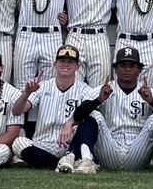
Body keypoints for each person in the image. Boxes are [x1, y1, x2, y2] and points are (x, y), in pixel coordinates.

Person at [72, 47, 153, 173]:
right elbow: (78, 115)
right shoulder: (103, 90)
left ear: (139, 70)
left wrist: (152, 102)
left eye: (132, 66)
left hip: (138, 150)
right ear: (116, 70)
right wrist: (98, 101)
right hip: (108, 148)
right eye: (122, 65)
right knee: (94, 114)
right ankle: (86, 161)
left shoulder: (150, 93)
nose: (127, 69)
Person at [10, 44, 101, 172]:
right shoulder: (43, 86)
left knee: (93, 115)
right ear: (55, 64)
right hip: (42, 144)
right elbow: (17, 111)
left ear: (77, 66)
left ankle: (64, 160)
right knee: (18, 143)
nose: (66, 64)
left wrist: (71, 123)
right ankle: (60, 164)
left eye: (70, 61)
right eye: (62, 60)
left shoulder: (84, 89)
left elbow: (90, 118)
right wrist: (27, 93)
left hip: (69, 146)